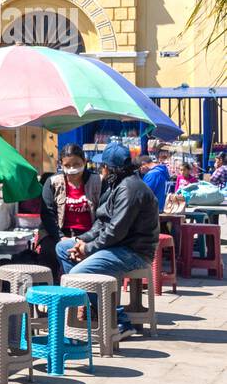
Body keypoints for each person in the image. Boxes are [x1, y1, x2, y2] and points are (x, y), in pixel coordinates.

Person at [56, 143, 160, 335]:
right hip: (116, 246)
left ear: (111, 168)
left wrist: (87, 249)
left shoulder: (130, 189)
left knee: (79, 272)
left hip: (133, 251)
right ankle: (93, 305)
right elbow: (101, 223)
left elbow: (115, 231)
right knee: (62, 248)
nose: (101, 170)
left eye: (103, 166)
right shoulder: (115, 184)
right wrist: (81, 240)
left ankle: (119, 320)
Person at [37, 144, 102, 282]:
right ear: (61, 164)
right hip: (59, 233)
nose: (72, 169)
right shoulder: (53, 182)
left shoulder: (98, 181)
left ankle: (84, 289)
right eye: (68, 165)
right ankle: (52, 288)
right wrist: (60, 237)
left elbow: (103, 214)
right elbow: (47, 213)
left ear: (84, 162)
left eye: (77, 164)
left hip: (90, 233)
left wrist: (84, 238)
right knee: (49, 250)